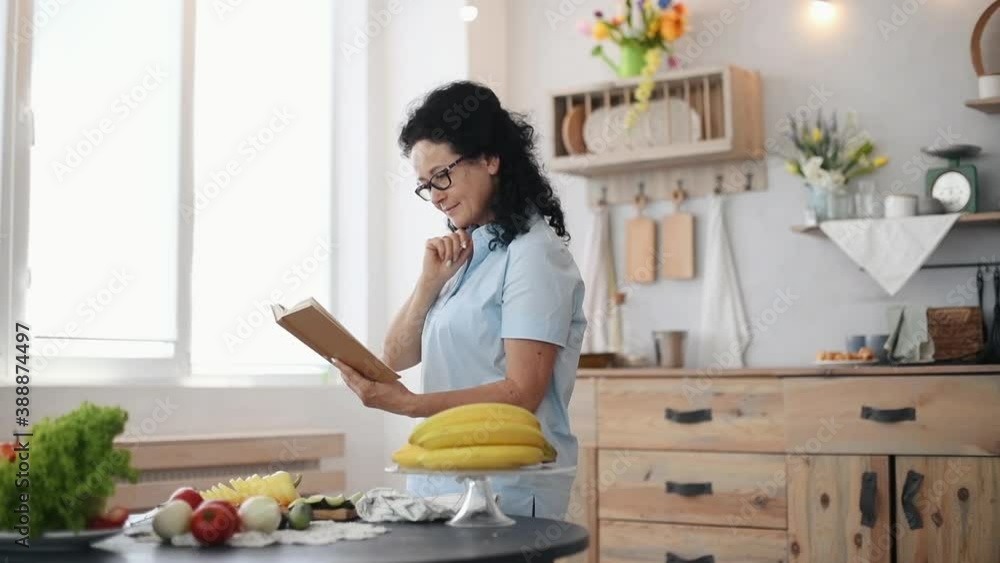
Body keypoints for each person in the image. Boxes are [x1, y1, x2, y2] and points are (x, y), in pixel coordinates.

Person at [335, 80, 586, 519]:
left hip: (507, 487)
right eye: (425, 185)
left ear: (490, 158)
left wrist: (410, 405)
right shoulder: (464, 252)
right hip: (440, 479)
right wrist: (427, 285)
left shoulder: (534, 254)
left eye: (443, 176)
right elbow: (394, 356)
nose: (435, 196)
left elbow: (521, 390)